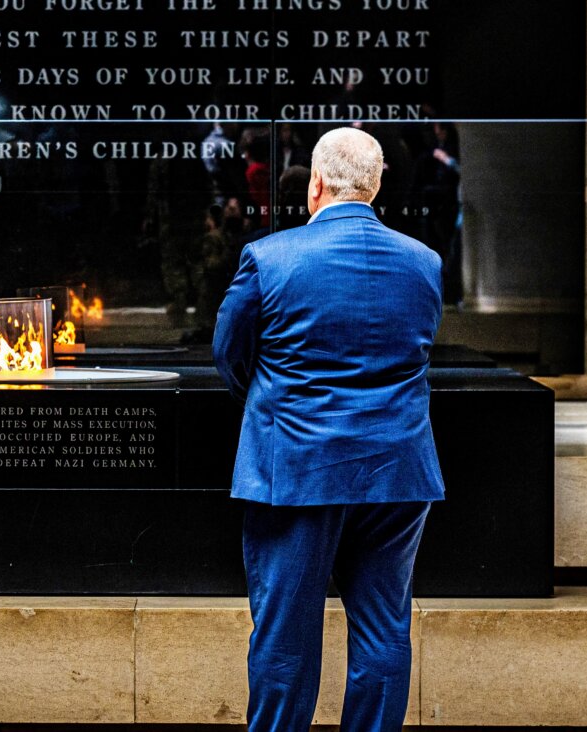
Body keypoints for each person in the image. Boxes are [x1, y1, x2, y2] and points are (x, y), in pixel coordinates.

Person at [212, 127, 445, 732]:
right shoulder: (425, 263)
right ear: (376, 184)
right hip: (398, 469)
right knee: (384, 628)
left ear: (314, 183)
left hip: (295, 468)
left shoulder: (269, 259)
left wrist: (271, 402)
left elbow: (228, 353)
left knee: (285, 636)